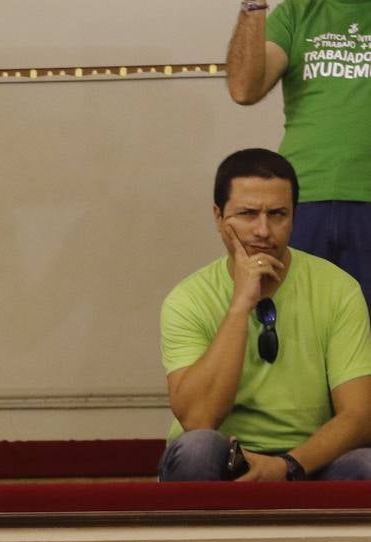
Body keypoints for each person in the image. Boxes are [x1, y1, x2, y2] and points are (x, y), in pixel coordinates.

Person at [158, 149, 371, 481]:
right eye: (247, 213)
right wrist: (241, 305)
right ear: (218, 217)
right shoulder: (187, 299)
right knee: (197, 448)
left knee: (365, 466)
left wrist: (287, 465)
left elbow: (359, 415)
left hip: (308, 461)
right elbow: (199, 419)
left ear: (293, 217)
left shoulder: (339, 289)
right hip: (226, 456)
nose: (262, 230)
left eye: (277, 214)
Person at [225, 0, 371, 310]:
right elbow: (243, 89)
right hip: (299, 202)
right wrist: (254, 5)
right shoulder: (296, 12)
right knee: (293, 325)